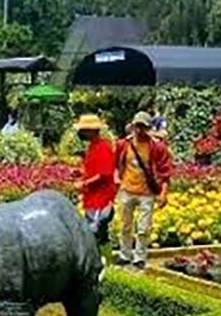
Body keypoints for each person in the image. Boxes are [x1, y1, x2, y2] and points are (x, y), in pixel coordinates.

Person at [115, 111, 173, 268]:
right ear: (133, 127)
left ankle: (140, 257)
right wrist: (116, 181)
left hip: (146, 193)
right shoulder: (123, 144)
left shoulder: (157, 147)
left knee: (143, 228)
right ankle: (124, 254)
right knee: (126, 226)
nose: (139, 130)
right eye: (137, 126)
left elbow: (165, 172)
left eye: (143, 127)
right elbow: (116, 165)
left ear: (148, 128)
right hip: (127, 190)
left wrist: (163, 193)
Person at [73, 114, 117, 258]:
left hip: (101, 199)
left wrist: (84, 183)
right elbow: (94, 169)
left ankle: (103, 259)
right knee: (93, 231)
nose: (81, 133)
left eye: (84, 130)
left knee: (96, 232)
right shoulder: (92, 147)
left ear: (92, 131)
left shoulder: (103, 147)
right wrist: (80, 173)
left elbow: (105, 174)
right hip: (91, 198)